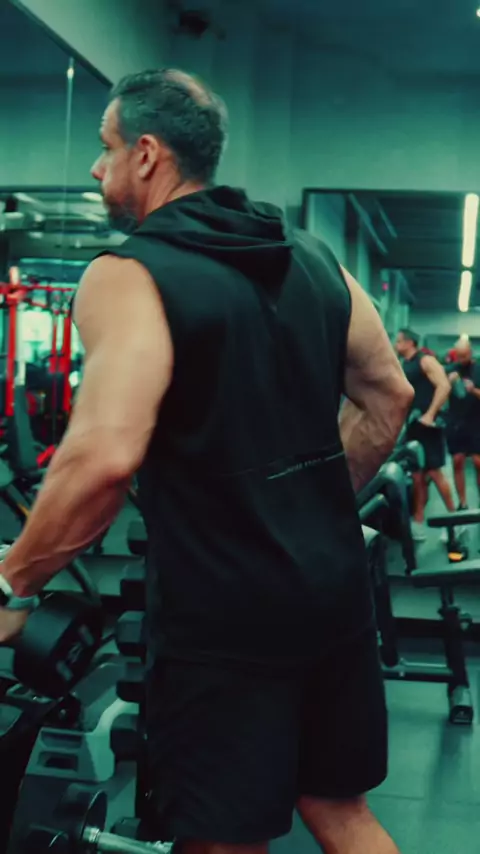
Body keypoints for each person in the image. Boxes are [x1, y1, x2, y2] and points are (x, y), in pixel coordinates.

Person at [0, 69, 412, 854]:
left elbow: (104, 458)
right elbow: (389, 397)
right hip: (332, 592)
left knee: (223, 839)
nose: (96, 166)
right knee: (341, 811)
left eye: (106, 148)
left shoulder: (128, 274)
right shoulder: (315, 256)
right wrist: (307, 512)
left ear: (147, 154)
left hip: (224, 616)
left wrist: (13, 583)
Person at [395, 328, 455, 542]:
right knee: (417, 476)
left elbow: (444, 385)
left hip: (429, 427)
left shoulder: (425, 360)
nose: (396, 345)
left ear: (409, 342)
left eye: (399, 341)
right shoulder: (405, 364)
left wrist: (430, 414)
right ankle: (418, 522)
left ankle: (454, 522)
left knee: (435, 474)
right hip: (413, 427)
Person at [445, 337, 480, 508]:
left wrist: (473, 390)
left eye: (464, 355)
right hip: (456, 422)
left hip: (476, 421)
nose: (461, 359)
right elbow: (441, 394)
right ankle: (463, 503)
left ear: (470, 353)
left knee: (478, 462)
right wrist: (448, 383)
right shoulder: (451, 370)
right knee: (457, 460)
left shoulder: (478, 369)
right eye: (458, 356)